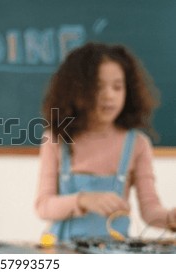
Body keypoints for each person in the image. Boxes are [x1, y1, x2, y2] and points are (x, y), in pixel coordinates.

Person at [35, 42, 176, 242]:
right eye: (98, 87)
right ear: (76, 91)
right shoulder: (56, 139)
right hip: (64, 253)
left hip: (115, 256)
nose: (109, 95)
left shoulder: (137, 143)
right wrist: (83, 200)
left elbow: (150, 211)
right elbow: (43, 206)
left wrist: (170, 218)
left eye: (118, 87)